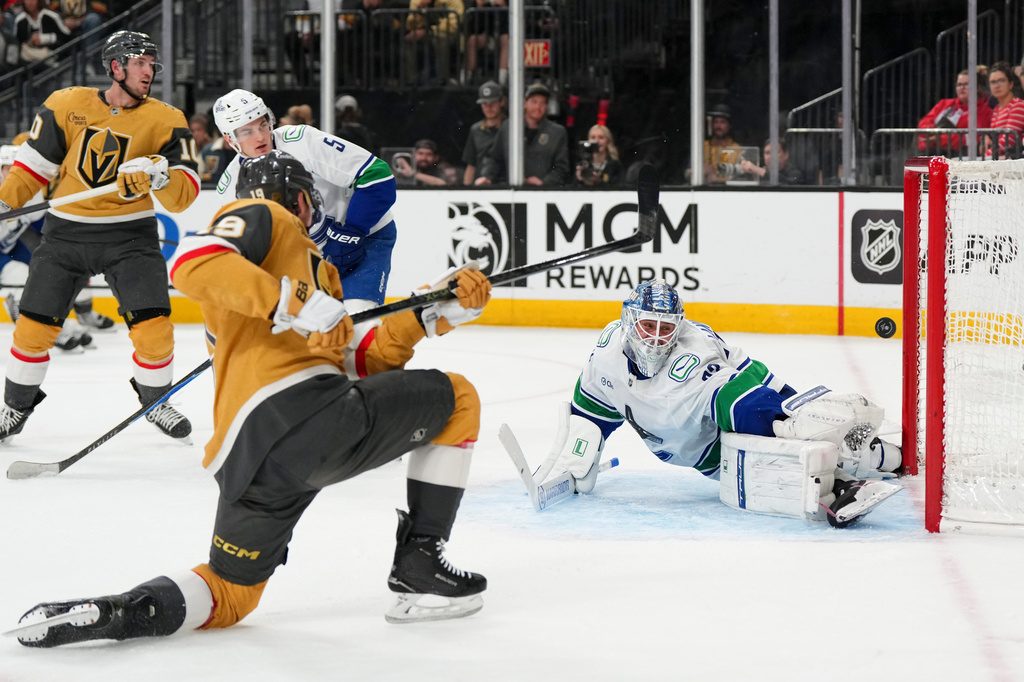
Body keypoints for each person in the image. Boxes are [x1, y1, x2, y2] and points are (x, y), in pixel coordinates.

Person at [7, 150, 491, 648]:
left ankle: (122, 611)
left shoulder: (305, 275)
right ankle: (419, 562)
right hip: (299, 417)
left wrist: (435, 310)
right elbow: (192, 264)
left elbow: (358, 365)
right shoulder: (269, 217)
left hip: (251, 459)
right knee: (457, 398)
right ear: (304, 200)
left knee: (232, 593)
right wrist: (301, 302)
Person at [527, 279, 903, 529]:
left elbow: (736, 400)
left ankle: (882, 461)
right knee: (781, 441)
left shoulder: (691, 357)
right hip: (704, 456)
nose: (658, 339)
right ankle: (871, 456)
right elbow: (592, 410)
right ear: (629, 323)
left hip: (723, 438)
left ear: (679, 327)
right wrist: (574, 456)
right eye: (648, 326)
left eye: (666, 328)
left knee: (781, 432)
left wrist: (785, 419)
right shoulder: (607, 352)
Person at [0, 30, 200, 443]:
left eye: (151, 63)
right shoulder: (65, 104)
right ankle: (14, 407)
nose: (150, 71)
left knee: (155, 327)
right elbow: (32, 167)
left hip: (131, 238)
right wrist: (4, 204)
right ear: (116, 67)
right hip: (65, 235)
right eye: (141, 63)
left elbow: (184, 193)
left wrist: (161, 174)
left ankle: (157, 400)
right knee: (33, 329)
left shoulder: (167, 120)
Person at [212, 88, 398, 379]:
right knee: (308, 350)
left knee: (359, 331)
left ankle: (375, 408)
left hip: (365, 243)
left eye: (262, 124)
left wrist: (353, 233)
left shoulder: (303, 141)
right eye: (246, 131)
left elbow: (379, 175)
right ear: (229, 139)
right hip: (306, 261)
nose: (260, 136)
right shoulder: (230, 189)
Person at [0, 144, 96, 351]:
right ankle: (37, 331)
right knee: (21, 276)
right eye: (8, 168)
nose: (14, 173)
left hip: (9, 246)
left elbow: (43, 227)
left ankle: (57, 325)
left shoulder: (31, 194)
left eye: (19, 168)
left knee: (47, 273)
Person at [475, 81, 569, 186]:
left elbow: (562, 168)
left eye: (542, 103)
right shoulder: (508, 127)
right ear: (525, 103)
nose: (538, 107)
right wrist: (487, 176)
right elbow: (494, 158)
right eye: (534, 102)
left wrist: (544, 182)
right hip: (513, 192)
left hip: (544, 195)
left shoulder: (557, 132)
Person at [916, 69, 993, 155]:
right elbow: (925, 120)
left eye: (966, 84)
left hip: (958, 155)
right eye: (959, 84)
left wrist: (941, 139)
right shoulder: (944, 103)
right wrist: (928, 129)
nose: (962, 88)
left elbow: (975, 137)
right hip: (928, 151)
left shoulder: (985, 111)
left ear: (977, 88)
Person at [403, 0, 463, 86]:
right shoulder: (417, 1)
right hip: (426, 34)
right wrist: (419, 10)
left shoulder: (453, 1)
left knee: (441, 40)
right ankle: (412, 80)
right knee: (409, 40)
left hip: (448, 34)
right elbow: (410, 26)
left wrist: (428, 31)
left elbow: (452, 26)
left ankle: (442, 80)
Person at [462, 80, 505, 185]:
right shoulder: (475, 129)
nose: (488, 107)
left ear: (502, 102)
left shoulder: (509, 127)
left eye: (493, 103)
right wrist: (466, 190)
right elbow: (471, 164)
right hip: (480, 184)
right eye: (484, 103)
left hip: (504, 184)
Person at [739, 137, 819, 185]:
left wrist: (760, 171)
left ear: (786, 155)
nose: (771, 157)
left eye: (776, 152)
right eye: (767, 153)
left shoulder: (795, 173)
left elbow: (786, 185)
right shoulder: (758, 172)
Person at [463, 0, 508, 86]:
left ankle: (502, 78)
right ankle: (467, 76)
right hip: (486, 35)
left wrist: (504, 8)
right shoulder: (475, 4)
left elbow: (507, 27)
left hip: (503, 36)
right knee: (472, 40)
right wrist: (480, 8)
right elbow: (472, 27)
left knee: (505, 39)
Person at [985, 61, 1024, 158]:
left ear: (1011, 84)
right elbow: (995, 140)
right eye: (993, 82)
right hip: (998, 159)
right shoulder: (996, 109)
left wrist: (983, 157)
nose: (997, 85)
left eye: (1001, 80)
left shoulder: (1018, 105)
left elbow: (1008, 140)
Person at [14, 0, 69, 64]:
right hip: (29, 61)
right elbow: (17, 43)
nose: (29, 2)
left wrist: (44, 39)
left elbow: (66, 38)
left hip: (54, 60)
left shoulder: (51, 17)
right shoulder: (20, 21)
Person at [698, 104, 740, 184]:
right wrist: (702, 171)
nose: (718, 126)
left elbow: (744, 174)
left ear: (729, 125)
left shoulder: (737, 149)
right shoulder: (702, 147)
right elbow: (687, 172)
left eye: (722, 122)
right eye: (716, 122)